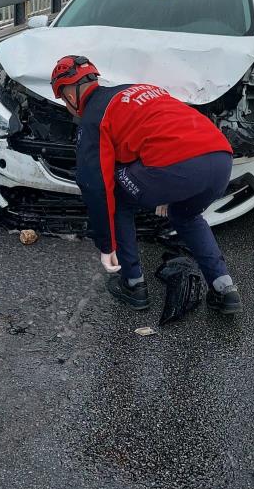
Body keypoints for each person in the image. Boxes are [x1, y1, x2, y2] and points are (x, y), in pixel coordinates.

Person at [49, 55, 242, 315]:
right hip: (220, 158)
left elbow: (96, 186)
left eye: (63, 99)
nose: (66, 105)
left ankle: (133, 284)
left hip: (178, 166)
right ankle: (224, 289)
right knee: (185, 216)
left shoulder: (94, 116)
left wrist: (106, 244)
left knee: (116, 198)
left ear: (70, 95)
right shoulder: (132, 91)